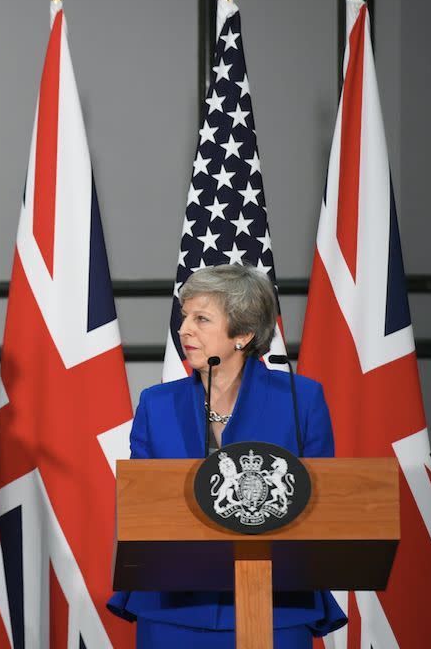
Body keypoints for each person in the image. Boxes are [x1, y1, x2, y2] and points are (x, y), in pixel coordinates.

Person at [107, 264, 347, 648]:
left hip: (277, 609)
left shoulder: (300, 400)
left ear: (244, 333)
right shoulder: (157, 404)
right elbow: (140, 505)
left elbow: (324, 503)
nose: (184, 329)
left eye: (201, 319)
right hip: (173, 612)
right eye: (184, 316)